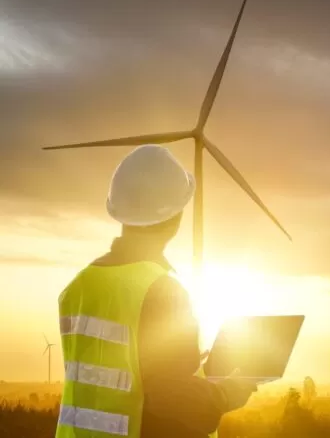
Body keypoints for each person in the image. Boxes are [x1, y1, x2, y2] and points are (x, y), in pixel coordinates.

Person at [56, 145, 256, 438]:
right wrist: (227, 391)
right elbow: (169, 398)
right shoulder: (162, 291)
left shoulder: (77, 287)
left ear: (120, 213)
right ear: (175, 218)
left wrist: (189, 361)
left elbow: (121, 372)